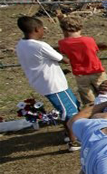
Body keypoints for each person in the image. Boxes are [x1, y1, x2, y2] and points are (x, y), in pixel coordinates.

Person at [15, 16, 81, 151]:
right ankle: (73, 141)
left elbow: (39, 62)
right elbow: (63, 59)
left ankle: (70, 135)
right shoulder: (40, 45)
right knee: (70, 111)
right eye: (42, 29)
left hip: (41, 81)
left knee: (71, 106)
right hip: (54, 84)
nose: (44, 31)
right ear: (36, 29)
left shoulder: (21, 44)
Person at [58, 16, 107, 105]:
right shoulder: (88, 40)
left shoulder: (62, 43)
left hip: (80, 73)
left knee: (88, 96)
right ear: (80, 27)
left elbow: (64, 53)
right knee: (106, 92)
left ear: (63, 29)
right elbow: (95, 50)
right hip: (96, 70)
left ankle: (92, 111)